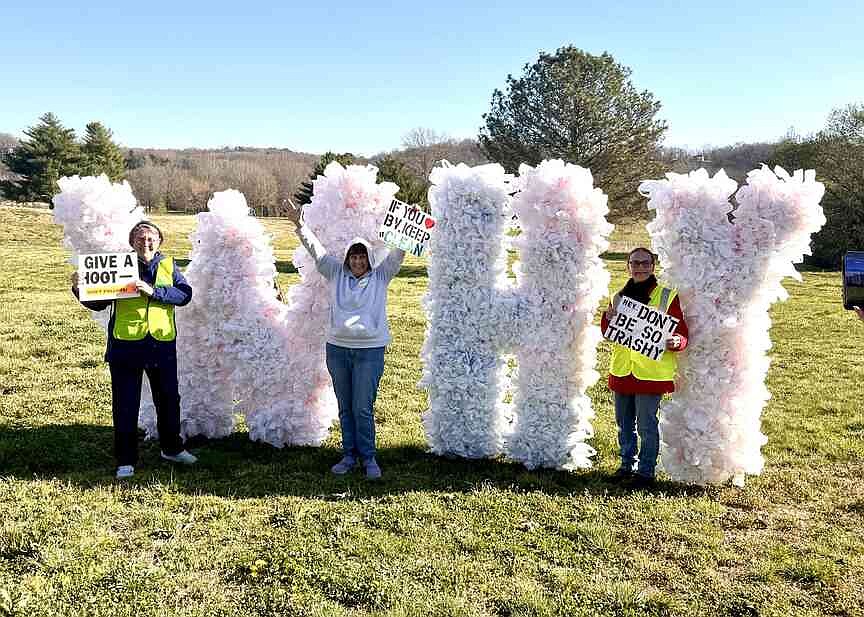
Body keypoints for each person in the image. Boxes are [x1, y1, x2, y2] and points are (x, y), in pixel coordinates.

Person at [283, 200, 404, 480]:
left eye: (363, 257)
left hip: (369, 352)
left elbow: (398, 253)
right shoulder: (336, 273)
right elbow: (316, 251)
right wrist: (299, 225)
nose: (358, 261)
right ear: (348, 259)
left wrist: (408, 227)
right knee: (345, 406)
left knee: (362, 406)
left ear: (369, 259)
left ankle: (369, 457)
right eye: (354, 257)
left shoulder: (381, 276)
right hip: (338, 350)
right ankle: (349, 455)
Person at [71, 221, 197, 479]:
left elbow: (184, 294)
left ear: (159, 241)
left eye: (150, 237)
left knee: (169, 400)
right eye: (140, 238)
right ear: (132, 243)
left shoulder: (168, 265)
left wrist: (154, 292)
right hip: (126, 345)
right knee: (126, 404)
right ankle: (125, 460)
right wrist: (79, 288)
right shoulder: (118, 266)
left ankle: (172, 448)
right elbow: (99, 303)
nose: (145, 242)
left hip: (161, 344)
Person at [601, 247, 689, 488]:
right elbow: (609, 332)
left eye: (644, 263)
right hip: (622, 370)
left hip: (651, 373)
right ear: (627, 266)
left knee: (646, 424)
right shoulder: (618, 296)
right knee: (624, 423)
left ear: (653, 265)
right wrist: (607, 319)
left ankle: (646, 471)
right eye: (635, 263)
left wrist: (677, 342)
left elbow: (681, 333)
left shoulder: (667, 296)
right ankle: (625, 465)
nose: (639, 267)